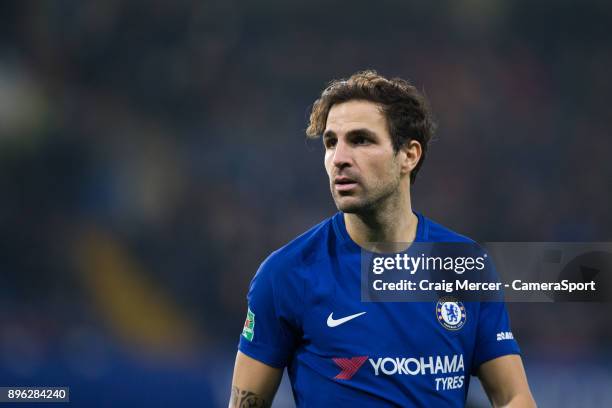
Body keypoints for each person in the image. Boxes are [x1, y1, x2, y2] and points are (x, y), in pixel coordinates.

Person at [229, 71, 535, 407]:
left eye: (360, 140)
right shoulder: (286, 273)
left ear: (409, 155)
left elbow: (513, 395)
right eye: (331, 142)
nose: (340, 159)